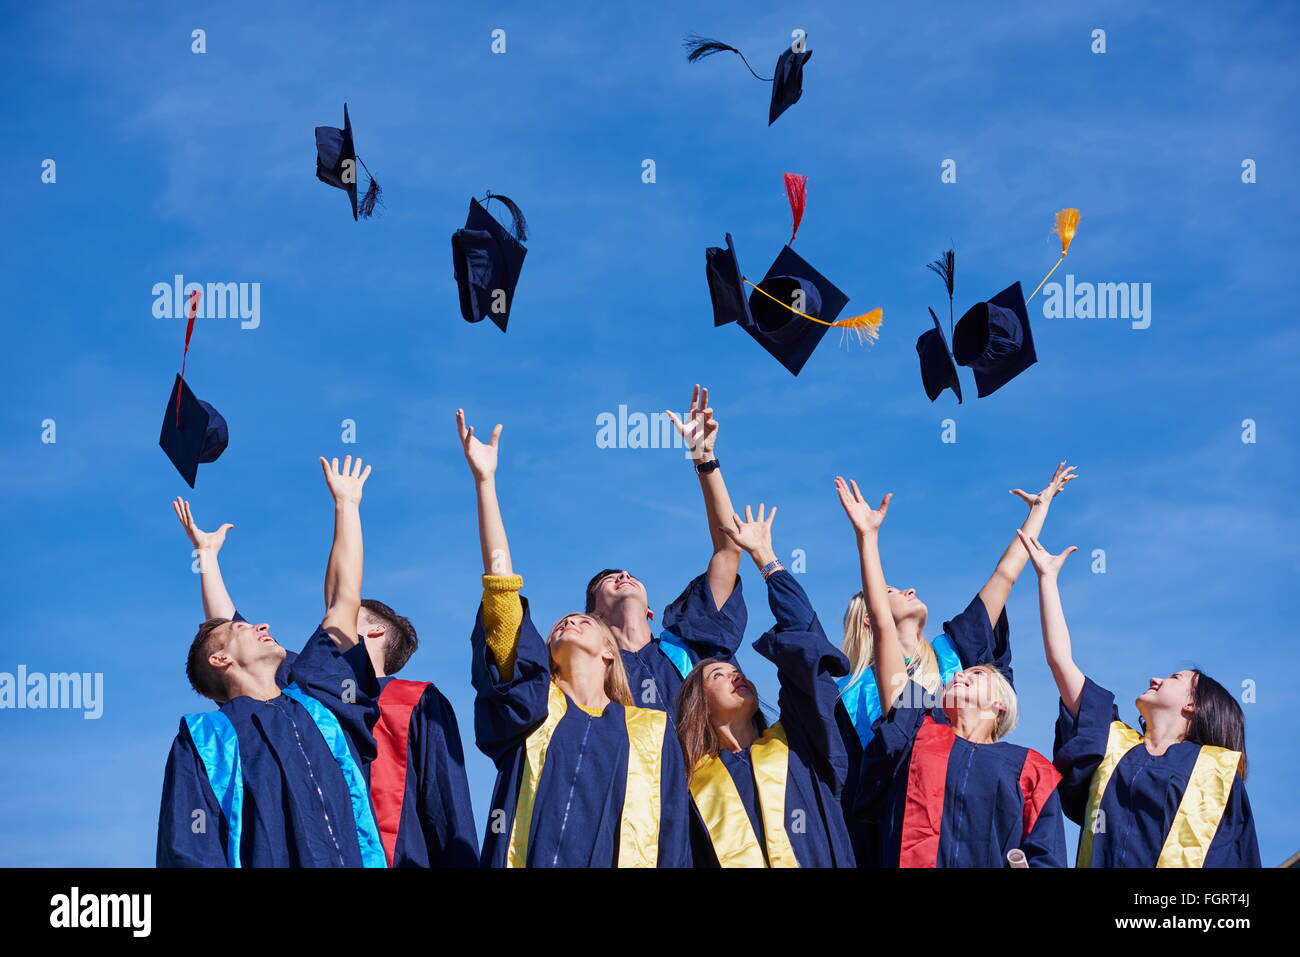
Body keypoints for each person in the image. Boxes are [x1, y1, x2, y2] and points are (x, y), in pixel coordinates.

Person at [172, 499, 479, 868]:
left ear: (374, 631)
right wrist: (207, 559)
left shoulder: (412, 700)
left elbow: (444, 801)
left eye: (351, 618)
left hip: (392, 854)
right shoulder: (304, 690)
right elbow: (224, 641)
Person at [458, 410, 690, 867]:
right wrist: (485, 483)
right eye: (558, 623)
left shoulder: (651, 731)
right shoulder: (530, 706)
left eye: (581, 620)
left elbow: (672, 836)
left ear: (610, 650)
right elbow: (502, 595)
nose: (567, 621)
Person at [834, 461, 1075, 861]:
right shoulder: (851, 693)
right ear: (867, 616)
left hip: (965, 790)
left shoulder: (953, 652)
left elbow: (1004, 577)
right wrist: (867, 538)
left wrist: (1039, 510)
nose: (909, 587)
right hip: (899, 813)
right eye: (891, 589)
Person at [157, 456, 385, 867]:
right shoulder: (206, 739)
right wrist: (205, 561)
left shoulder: (321, 703)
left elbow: (343, 603)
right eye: (242, 629)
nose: (260, 623)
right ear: (221, 658)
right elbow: (189, 852)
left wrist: (347, 506)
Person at [1017, 531, 1260, 867]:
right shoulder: (1112, 740)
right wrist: (1047, 578)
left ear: (1194, 705)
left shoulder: (1216, 771)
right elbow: (1060, 661)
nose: (1155, 679)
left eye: (1174, 678)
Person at [676, 504, 855, 867]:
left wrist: (765, 558)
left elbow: (804, 640)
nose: (736, 674)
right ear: (699, 703)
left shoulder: (797, 745)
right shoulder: (688, 785)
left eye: (735, 670)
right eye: (718, 675)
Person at [585, 385, 748, 713]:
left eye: (628, 574)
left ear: (650, 610)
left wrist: (705, 460)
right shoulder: (591, 675)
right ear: (595, 616)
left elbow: (729, 549)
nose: (625, 575)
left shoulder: (688, 647)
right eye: (610, 579)